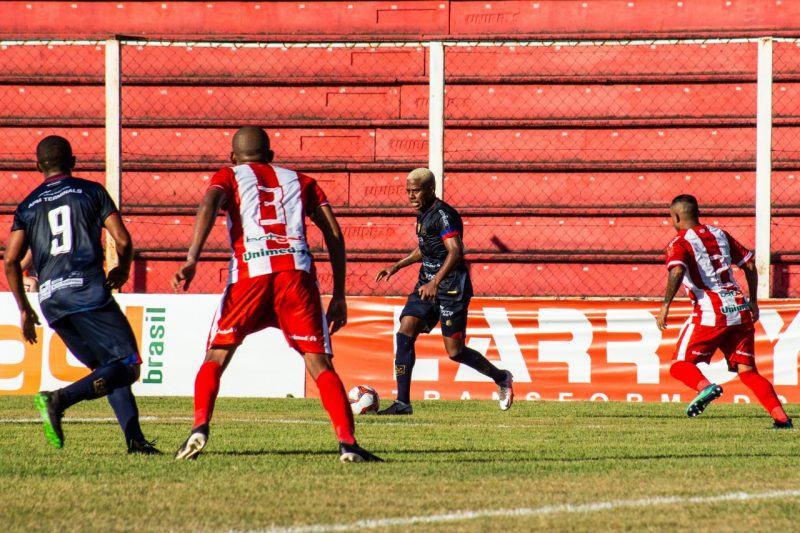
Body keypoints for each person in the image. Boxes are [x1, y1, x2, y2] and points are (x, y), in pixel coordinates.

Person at [171, 126, 381, 462]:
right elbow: (334, 234)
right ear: (270, 156)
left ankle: (199, 427)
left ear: (233, 157)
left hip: (249, 275)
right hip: (295, 276)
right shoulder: (303, 181)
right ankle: (347, 443)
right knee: (319, 363)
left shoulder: (228, 175)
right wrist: (339, 294)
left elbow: (209, 202)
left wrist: (192, 257)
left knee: (216, 356)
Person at [5, 135, 161, 453]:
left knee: (109, 369)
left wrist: (24, 308)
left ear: (37, 166)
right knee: (128, 365)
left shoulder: (27, 206)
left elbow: (10, 261)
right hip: (87, 292)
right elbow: (123, 240)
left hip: (51, 300)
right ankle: (58, 400)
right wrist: (122, 269)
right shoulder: (91, 191)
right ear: (74, 162)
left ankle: (135, 441)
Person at [374, 168, 513, 415]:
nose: (411, 196)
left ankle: (501, 377)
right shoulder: (423, 214)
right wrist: (397, 265)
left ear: (430, 189)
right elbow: (426, 247)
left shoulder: (443, 215)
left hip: (450, 289)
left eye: (416, 191)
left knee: (455, 352)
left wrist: (435, 282)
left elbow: (455, 250)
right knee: (405, 331)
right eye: (408, 191)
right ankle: (403, 403)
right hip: (426, 285)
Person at [656, 194, 792, 429]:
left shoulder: (679, 242)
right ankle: (782, 420)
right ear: (697, 213)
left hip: (710, 311)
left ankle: (706, 387)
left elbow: (676, 271)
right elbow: (750, 264)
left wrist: (666, 304)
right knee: (748, 371)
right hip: (739, 307)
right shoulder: (720, 234)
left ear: (676, 216)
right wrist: (753, 301)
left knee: (679, 365)